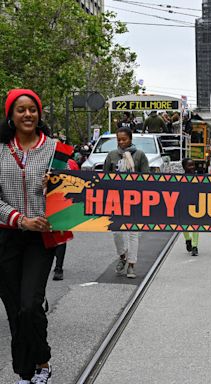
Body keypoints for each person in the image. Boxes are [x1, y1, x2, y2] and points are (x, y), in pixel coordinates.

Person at [0, 89, 59, 384]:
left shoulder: (56, 150)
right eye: (21, 110)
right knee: (15, 310)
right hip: (6, 238)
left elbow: (74, 191)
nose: (27, 115)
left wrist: (60, 184)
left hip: (42, 239)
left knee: (29, 305)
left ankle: (43, 363)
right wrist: (20, 220)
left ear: (39, 115)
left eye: (32, 110)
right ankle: (25, 372)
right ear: (10, 116)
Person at [104, 127, 149, 278]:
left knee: (132, 233)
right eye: (119, 140)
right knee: (116, 232)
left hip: (135, 199)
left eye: (124, 139)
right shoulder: (112, 155)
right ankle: (122, 256)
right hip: (116, 199)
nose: (122, 142)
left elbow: (147, 178)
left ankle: (131, 265)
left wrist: (132, 168)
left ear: (131, 139)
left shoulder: (140, 155)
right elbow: (105, 178)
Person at [182, 158, 200, 256]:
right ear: (184, 167)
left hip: (195, 204)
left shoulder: (199, 178)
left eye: (193, 165)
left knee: (195, 225)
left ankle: (194, 246)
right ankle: (187, 239)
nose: (192, 167)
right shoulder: (180, 179)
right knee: (183, 224)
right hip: (184, 204)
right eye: (189, 165)